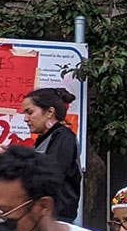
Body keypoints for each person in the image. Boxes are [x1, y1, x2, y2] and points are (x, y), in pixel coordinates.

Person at [21, 86, 82, 222]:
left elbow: (52, 174)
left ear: (49, 112)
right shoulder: (46, 138)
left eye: (30, 112)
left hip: (56, 220)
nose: (25, 119)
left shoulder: (63, 137)